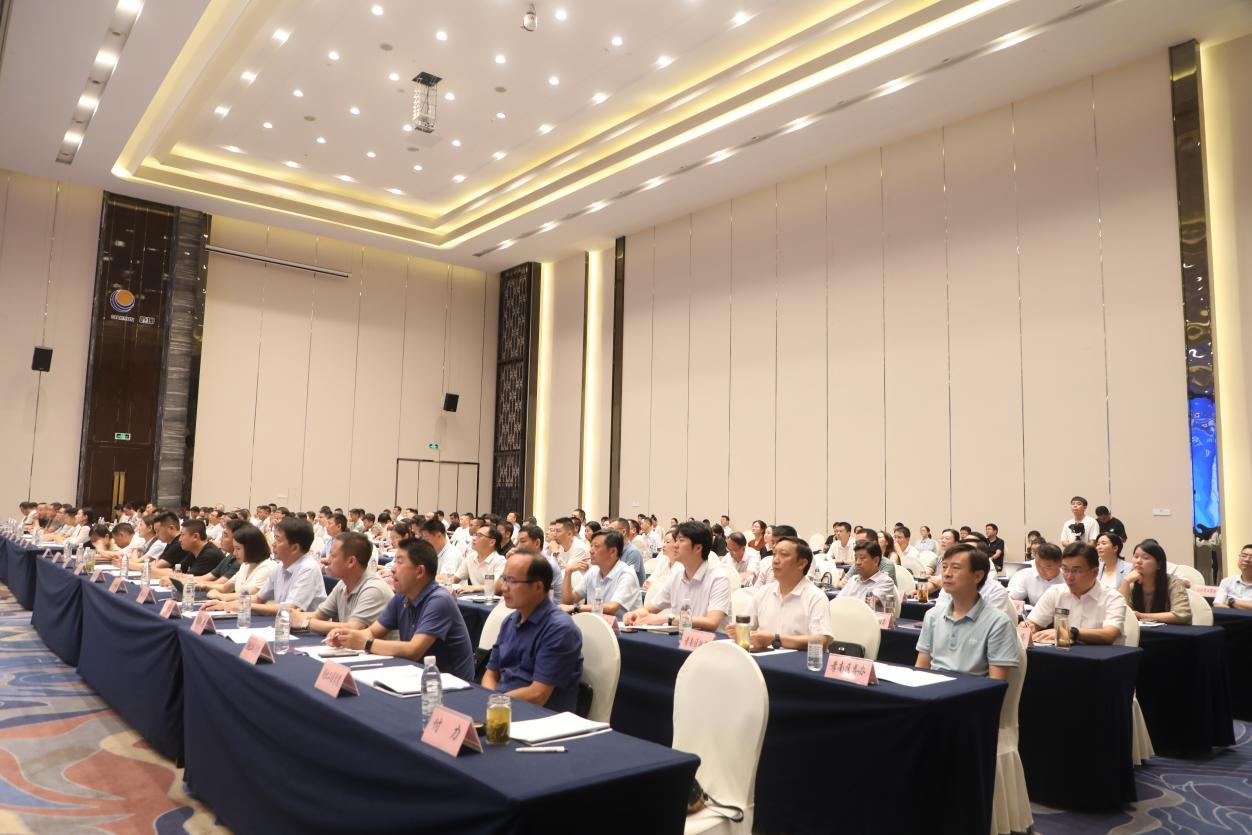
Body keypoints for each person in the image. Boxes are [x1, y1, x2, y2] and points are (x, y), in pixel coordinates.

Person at [327, 538, 476, 680]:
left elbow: (413, 650)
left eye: (399, 562)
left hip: (447, 684)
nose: (392, 569)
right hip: (415, 674)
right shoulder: (402, 596)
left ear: (420, 571)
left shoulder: (439, 600)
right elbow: (372, 632)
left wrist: (365, 643)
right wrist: (346, 636)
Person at [482, 549, 584, 710]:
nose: (504, 587)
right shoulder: (510, 620)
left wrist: (495, 702)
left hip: (538, 715)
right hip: (501, 706)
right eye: (504, 579)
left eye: (512, 581)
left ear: (538, 587)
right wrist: (489, 701)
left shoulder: (560, 629)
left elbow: (538, 695)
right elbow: (491, 673)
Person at [916, 544, 1020, 679]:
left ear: (977, 576)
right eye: (944, 567)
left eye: (955, 568)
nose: (946, 574)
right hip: (932, 689)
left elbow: (996, 683)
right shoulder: (932, 615)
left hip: (972, 691)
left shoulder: (999, 622)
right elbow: (920, 669)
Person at [624, 521, 730, 632]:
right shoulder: (676, 577)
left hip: (710, 641)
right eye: (676, 540)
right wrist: (634, 614)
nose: (675, 545)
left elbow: (712, 622)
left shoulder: (718, 579)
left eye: (681, 540)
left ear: (698, 548)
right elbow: (649, 609)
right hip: (681, 638)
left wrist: (667, 619)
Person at [213, 517, 324, 614]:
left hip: (308, 629)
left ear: (294, 548)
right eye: (274, 538)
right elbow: (259, 598)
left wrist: (244, 605)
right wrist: (226, 604)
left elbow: (290, 608)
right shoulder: (280, 566)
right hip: (284, 624)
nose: (273, 544)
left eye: (278, 539)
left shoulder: (308, 568)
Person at [290, 532, 393, 634]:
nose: (327, 560)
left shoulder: (374, 589)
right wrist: (291, 616)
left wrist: (305, 623)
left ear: (351, 561)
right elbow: (319, 615)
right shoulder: (343, 584)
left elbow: (353, 628)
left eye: (333, 556)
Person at [1025, 542, 1126, 644]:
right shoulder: (1055, 592)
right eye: (1065, 569)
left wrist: (1069, 632)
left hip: (1103, 653)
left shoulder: (1113, 598)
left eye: (1077, 571)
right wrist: (1029, 626)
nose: (1069, 577)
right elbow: (1033, 623)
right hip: (1063, 652)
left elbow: (1109, 635)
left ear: (1094, 572)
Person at [747, 537, 833, 650]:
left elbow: (821, 640)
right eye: (774, 554)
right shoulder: (763, 592)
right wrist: (738, 631)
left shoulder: (816, 597)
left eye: (783, 555)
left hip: (799, 661)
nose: (775, 560)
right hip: (763, 659)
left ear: (802, 563)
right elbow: (746, 627)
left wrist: (775, 639)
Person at [560, 529, 641, 614]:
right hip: (596, 621)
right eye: (591, 546)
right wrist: (568, 572)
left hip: (622, 622)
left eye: (596, 546)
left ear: (612, 552)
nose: (591, 551)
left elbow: (612, 608)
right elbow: (568, 601)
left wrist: (576, 608)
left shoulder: (627, 574)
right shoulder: (593, 571)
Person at [1119, 540, 1191, 624]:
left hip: (1170, 631)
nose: (1138, 561)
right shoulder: (1131, 584)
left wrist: (1140, 616)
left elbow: (1182, 615)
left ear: (1159, 565)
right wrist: (1125, 582)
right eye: (1136, 556)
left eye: (1145, 558)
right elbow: (1121, 615)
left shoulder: (1174, 583)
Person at [205, 523, 273, 603]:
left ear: (252, 548)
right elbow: (225, 588)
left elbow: (247, 595)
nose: (234, 553)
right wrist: (202, 586)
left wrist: (219, 595)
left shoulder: (266, 568)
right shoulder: (245, 565)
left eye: (238, 548)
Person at [452, 524, 508, 594]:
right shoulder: (471, 557)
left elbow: (497, 587)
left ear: (492, 542)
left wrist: (474, 588)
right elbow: (455, 579)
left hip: (492, 599)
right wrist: (442, 579)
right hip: (473, 598)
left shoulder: (500, 561)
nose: (473, 538)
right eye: (474, 535)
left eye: (479, 536)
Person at [610, 517, 647, 585]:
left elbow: (627, 580)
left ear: (623, 532)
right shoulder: (614, 550)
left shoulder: (633, 552)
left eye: (611, 530)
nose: (608, 534)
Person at [1215, 544, 1252, 610]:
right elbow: (1217, 604)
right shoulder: (1227, 581)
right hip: (1228, 617)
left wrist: (1232, 601)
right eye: (1244, 556)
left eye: (1251, 557)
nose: (1247, 559)